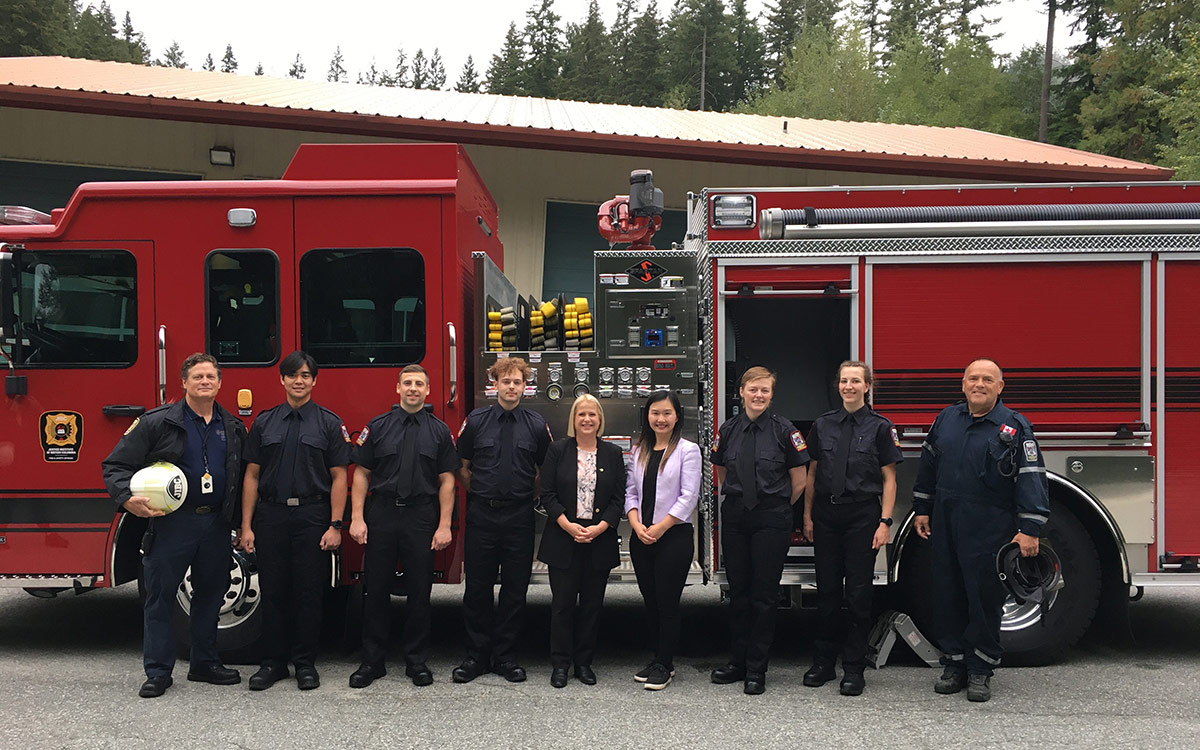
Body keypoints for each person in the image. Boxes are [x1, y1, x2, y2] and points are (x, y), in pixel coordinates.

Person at [101, 353, 246, 699]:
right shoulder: (157, 422)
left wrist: (240, 524)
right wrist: (126, 499)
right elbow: (115, 465)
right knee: (160, 597)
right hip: (172, 524)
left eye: (211, 376)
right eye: (197, 377)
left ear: (220, 383)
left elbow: (241, 478)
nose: (205, 382)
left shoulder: (233, 426)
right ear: (183, 383)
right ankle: (158, 672)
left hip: (214, 522)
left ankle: (205, 663)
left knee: (211, 595)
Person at [913, 358, 1050, 703]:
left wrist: (1030, 528)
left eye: (988, 379)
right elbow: (928, 465)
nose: (979, 384)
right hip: (946, 520)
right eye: (973, 378)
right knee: (946, 594)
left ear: (1000, 387)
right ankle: (954, 664)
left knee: (983, 598)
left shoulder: (1015, 426)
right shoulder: (947, 419)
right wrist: (922, 508)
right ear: (963, 384)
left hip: (990, 526)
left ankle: (980, 670)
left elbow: (1031, 478)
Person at [238, 351, 350, 691]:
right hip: (270, 515)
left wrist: (335, 524)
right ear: (282, 380)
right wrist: (246, 525)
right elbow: (252, 476)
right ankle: (272, 664)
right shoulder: (264, 422)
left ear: (314, 381)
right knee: (272, 593)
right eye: (292, 375)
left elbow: (340, 477)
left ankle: (304, 664)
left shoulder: (329, 424)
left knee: (308, 593)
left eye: (305, 375)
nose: (298, 381)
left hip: (312, 516)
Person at [346, 364, 459, 688]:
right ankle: (372, 662)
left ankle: (417, 661)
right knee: (376, 590)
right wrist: (357, 518)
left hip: (420, 515)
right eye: (407, 383)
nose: (413, 388)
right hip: (382, 512)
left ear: (428, 390)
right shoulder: (378, 427)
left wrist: (444, 526)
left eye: (419, 384)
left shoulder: (438, 431)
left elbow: (447, 481)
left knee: (420, 591)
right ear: (397, 388)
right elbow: (361, 474)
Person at [801, 361, 903, 696]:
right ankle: (823, 663)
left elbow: (889, 479)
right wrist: (808, 516)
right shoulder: (823, 424)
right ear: (838, 385)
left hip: (863, 516)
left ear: (867, 386)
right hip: (827, 516)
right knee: (827, 593)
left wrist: (885, 522)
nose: (849, 386)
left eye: (855, 381)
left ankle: (854, 668)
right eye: (844, 380)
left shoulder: (879, 427)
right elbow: (813, 474)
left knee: (858, 595)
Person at [710, 366, 809, 695]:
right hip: (737, 517)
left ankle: (757, 668)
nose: (758, 395)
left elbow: (799, 480)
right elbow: (722, 470)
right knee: (738, 593)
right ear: (741, 391)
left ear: (771, 394)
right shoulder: (728, 430)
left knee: (765, 596)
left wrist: (776, 505)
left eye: (765, 390)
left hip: (771, 518)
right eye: (753, 389)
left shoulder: (785, 431)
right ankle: (737, 662)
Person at [453, 356, 552, 684]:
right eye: (506, 381)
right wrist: (482, 491)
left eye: (518, 382)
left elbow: (542, 471)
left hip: (519, 516)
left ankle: (506, 657)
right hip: (482, 514)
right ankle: (475, 656)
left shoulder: (536, 424)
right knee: (478, 588)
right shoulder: (476, 421)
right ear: (494, 383)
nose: (511, 387)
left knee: (515, 589)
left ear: (526, 386)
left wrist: (524, 495)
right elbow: (462, 466)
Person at [536, 394, 626, 688]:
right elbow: (547, 494)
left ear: (600, 420)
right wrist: (567, 524)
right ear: (573, 420)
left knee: (591, 606)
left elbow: (618, 498)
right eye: (581, 414)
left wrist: (600, 528)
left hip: (598, 538)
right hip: (563, 536)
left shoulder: (612, 453)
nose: (587, 419)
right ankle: (560, 664)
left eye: (592, 415)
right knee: (561, 606)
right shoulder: (558, 450)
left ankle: (584, 663)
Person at [625, 390, 702, 691]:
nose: (661, 419)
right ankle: (657, 657)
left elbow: (688, 496)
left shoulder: (688, 450)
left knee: (667, 602)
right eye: (655, 413)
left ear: (677, 416)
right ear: (647, 416)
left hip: (673, 537)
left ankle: (666, 664)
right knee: (651, 601)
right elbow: (631, 492)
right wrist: (636, 524)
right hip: (641, 536)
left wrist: (659, 527)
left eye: (667, 413)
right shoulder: (639, 450)